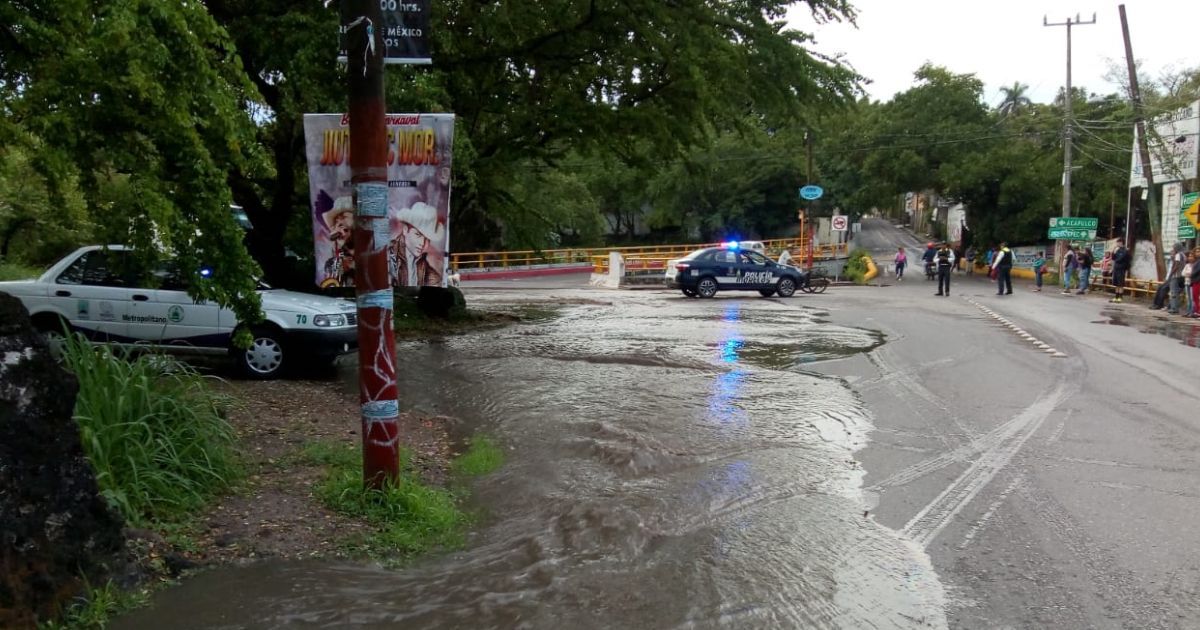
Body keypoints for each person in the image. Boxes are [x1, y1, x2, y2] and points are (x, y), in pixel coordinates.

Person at [1165, 242, 1186, 314]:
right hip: (1182, 276)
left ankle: (1174, 309)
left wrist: (1171, 274)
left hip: (1176, 276)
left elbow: (1176, 266)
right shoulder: (1183, 255)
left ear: (1177, 248)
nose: (1173, 249)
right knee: (1177, 292)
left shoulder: (1178, 255)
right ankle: (1172, 306)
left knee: (1174, 293)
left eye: (1174, 247)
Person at [1110, 238, 1131, 303]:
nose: (1117, 244)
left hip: (1121, 268)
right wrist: (1113, 251)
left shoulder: (1125, 250)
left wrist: (1116, 258)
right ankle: (1116, 297)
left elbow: (1120, 259)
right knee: (1116, 283)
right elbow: (1113, 258)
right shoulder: (1117, 250)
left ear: (1121, 242)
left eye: (1118, 242)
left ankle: (1120, 297)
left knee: (1120, 283)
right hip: (1116, 268)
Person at [1183, 250, 1197, 318]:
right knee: (1188, 298)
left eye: (1192, 256)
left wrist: (1189, 274)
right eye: (1189, 256)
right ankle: (1188, 311)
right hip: (1187, 282)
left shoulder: (1195, 265)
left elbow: (1193, 274)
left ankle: (1192, 311)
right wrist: (1188, 274)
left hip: (1192, 283)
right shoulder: (1187, 265)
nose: (1190, 258)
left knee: (1192, 298)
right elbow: (1183, 273)